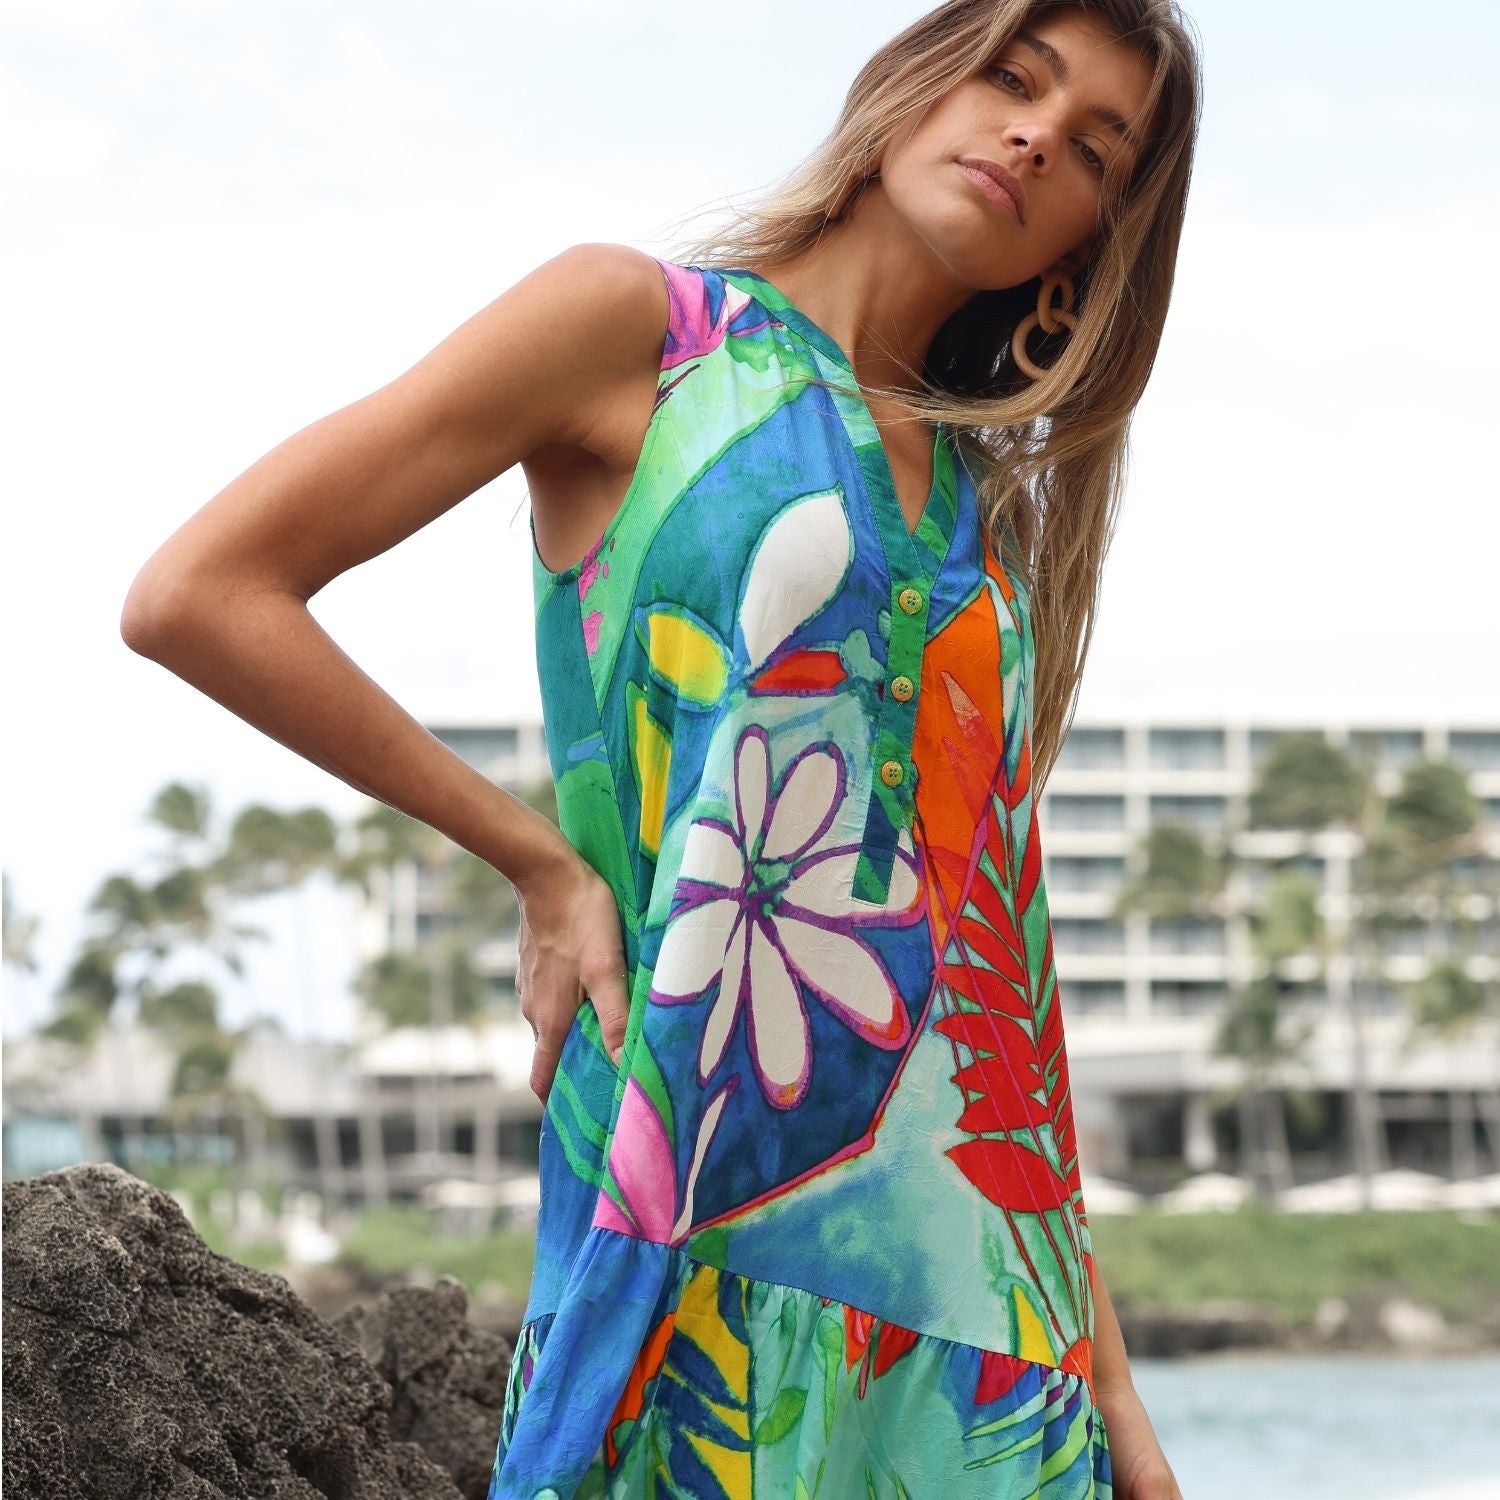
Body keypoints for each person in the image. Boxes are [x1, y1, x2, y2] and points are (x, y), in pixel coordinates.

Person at [121, 0, 1202, 1494]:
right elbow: (200, 595)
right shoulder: (642, 332)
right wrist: (540, 866)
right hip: (687, 1231)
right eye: (1014, 76)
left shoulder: (985, 515)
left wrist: (1110, 1384)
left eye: (1094, 151)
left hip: (981, 1331)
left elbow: (998, 960)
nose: (1033, 136)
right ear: (910, 84)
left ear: (1086, 249)